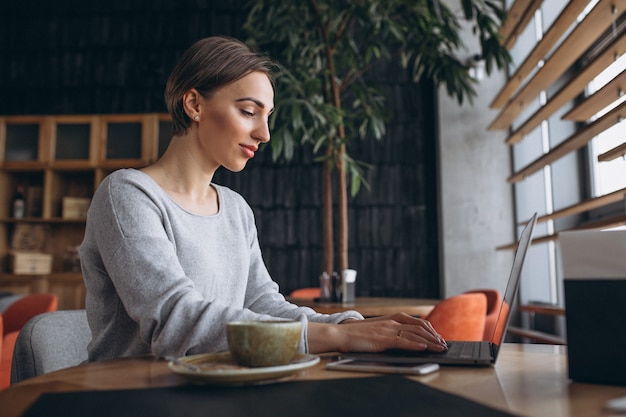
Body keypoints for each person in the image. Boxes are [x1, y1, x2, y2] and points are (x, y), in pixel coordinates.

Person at [79, 36, 448, 362]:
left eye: (267, 116)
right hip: (130, 394)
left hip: (214, 390)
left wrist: (352, 324)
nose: (265, 133)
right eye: (248, 111)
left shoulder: (236, 209)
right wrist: (338, 336)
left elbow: (263, 305)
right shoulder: (128, 194)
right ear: (194, 104)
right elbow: (176, 319)